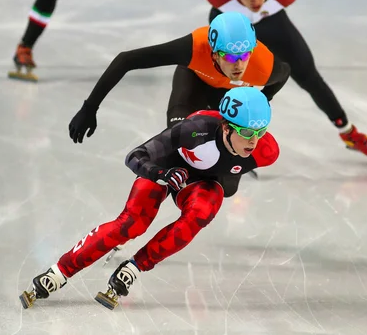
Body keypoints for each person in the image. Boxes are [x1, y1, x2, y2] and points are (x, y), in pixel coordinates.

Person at [20, 86, 279, 310]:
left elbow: (230, 168)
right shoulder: (195, 130)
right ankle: (59, 272)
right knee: (132, 224)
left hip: (201, 181)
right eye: (246, 133)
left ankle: (134, 267)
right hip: (165, 168)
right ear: (225, 126)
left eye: (260, 131)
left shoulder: (266, 152)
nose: (254, 140)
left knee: (203, 210)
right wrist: (161, 173)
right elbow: (135, 155)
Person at [144, 0, 367, 157]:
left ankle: (348, 133)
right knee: (227, 81)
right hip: (230, 25)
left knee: (309, 77)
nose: (255, 0)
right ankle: (228, 142)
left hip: (273, 25)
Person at [68, 11, 290, 143]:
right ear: (213, 53)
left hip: (227, 94)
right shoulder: (193, 47)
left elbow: (285, 72)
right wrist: (90, 107)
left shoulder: (263, 66)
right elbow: (126, 60)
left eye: (244, 55)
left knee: (228, 183)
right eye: (230, 58)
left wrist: (264, 99)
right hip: (193, 79)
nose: (239, 64)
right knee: (179, 139)